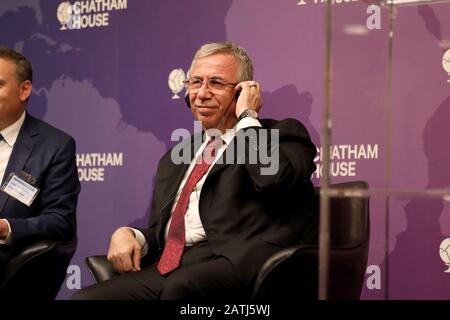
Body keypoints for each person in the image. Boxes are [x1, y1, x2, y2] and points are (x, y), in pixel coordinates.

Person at [73, 42, 317, 300]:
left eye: (216, 83)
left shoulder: (282, 135)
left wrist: (247, 115)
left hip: (237, 264)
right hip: (172, 266)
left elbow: (271, 178)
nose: (201, 93)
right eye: (195, 82)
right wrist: (129, 234)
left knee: (180, 289)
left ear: (243, 90)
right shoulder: (177, 157)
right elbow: (166, 233)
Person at [0, 48, 80, 278]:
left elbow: (59, 221)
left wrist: (6, 228)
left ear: (24, 90)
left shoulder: (55, 146)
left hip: (10, 263)